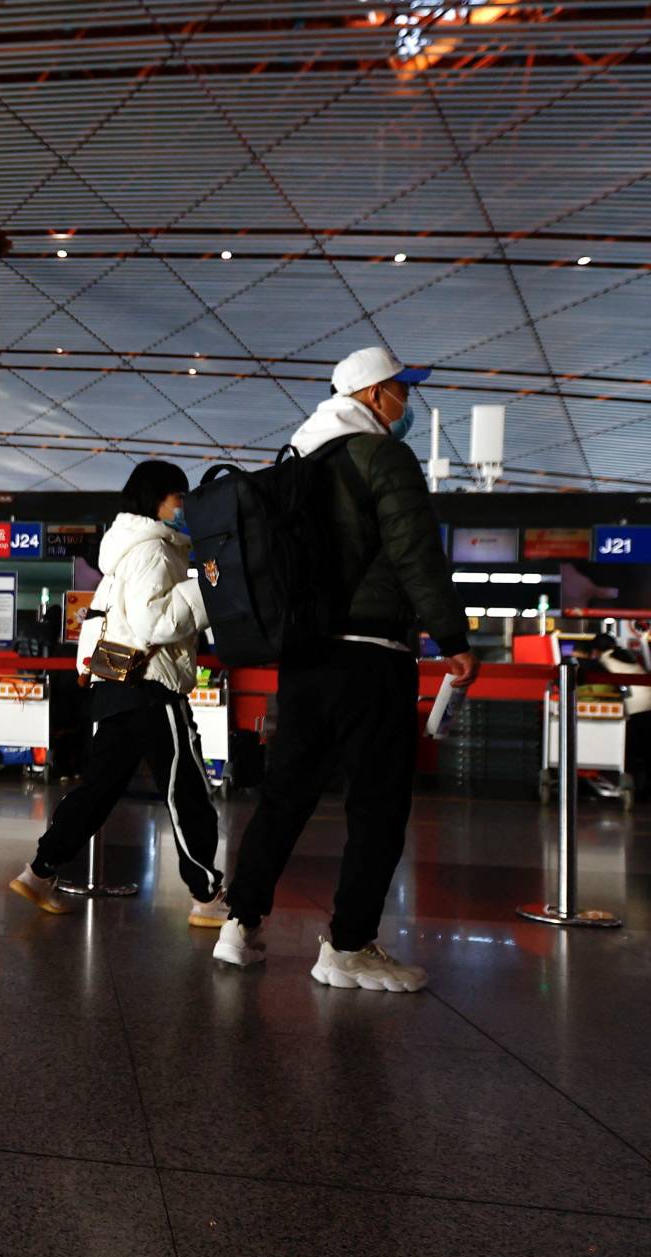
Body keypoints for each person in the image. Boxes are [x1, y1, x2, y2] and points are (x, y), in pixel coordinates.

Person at [215, 347, 477, 990]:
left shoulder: (300, 459)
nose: (405, 402)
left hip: (305, 657)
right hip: (371, 655)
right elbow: (415, 550)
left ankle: (240, 925)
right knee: (378, 804)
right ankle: (349, 945)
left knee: (285, 796)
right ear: (370, 396)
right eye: (398, 390)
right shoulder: (381, 455)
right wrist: (451, 636)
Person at [8, 463, 219, 918]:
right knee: (187, 791)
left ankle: (39, 872)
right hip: (153, 687)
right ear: (155, 498)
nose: (184, 507)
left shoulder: (122, 553)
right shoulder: (155, 553)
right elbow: (155, 623)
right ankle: (206, 896)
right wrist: (205, 590)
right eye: (178, 497)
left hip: (116, 687)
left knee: (98, 790)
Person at [578, 633, 651, 794]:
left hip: (636, 707)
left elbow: (594, 681)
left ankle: (634, 788)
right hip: (648, 704)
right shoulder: (625, 654)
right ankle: (644, 788)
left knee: (629, 750)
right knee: (645, 751)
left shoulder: (604, 661)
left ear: (595, 651)